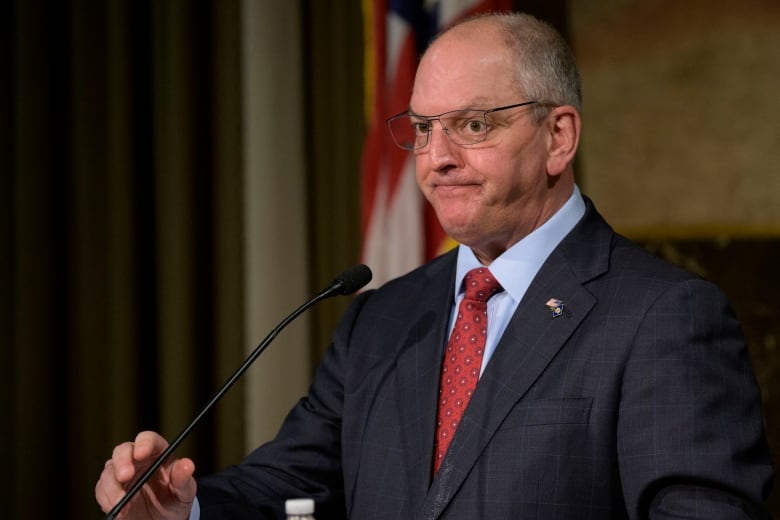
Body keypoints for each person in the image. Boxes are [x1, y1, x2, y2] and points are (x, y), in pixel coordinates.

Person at [96, 12, 774, 519]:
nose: (437, 157)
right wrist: (179, 507)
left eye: (473, 125)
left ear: (558, 137)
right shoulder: (382, 320)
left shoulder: (662, 317)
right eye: (422, 129)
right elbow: (293, 484)